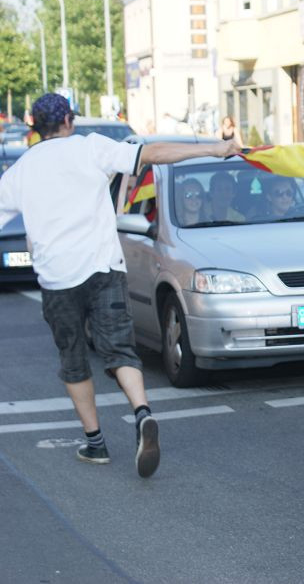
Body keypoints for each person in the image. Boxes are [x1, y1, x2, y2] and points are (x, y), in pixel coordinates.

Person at [0, 93, 242, 477]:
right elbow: (154, 153)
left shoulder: (21, 171)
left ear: (35, 128)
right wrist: (217, 147)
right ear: (68, 120)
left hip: (57, 279)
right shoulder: (90, 148)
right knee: (120, 350)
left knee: (74, 359)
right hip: (103, 268)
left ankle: (95, 443)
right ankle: (142, 412)